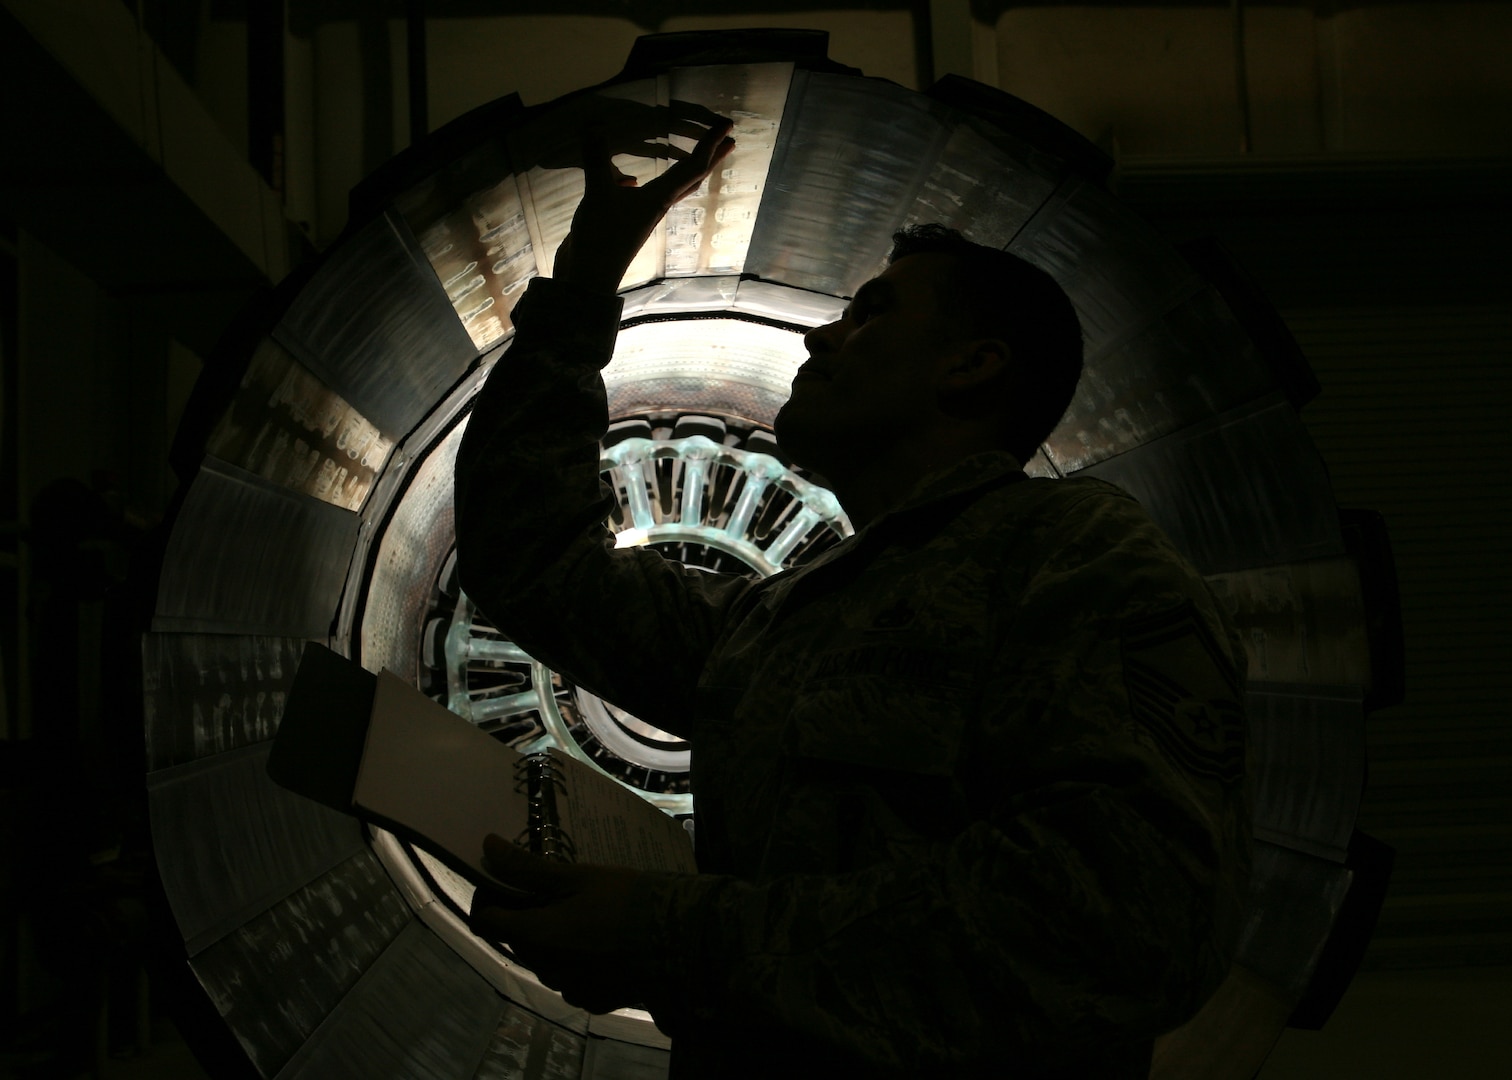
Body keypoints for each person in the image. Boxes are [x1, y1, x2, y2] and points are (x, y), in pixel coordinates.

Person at [453, 108, 1250, 1078]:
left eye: (872, 312)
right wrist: (582, 285)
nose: (824, 335)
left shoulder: (1074, 556)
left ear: (973, 366)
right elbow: (536, 562)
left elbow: (1125, 925)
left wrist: (667, 934)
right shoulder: (777, 622)